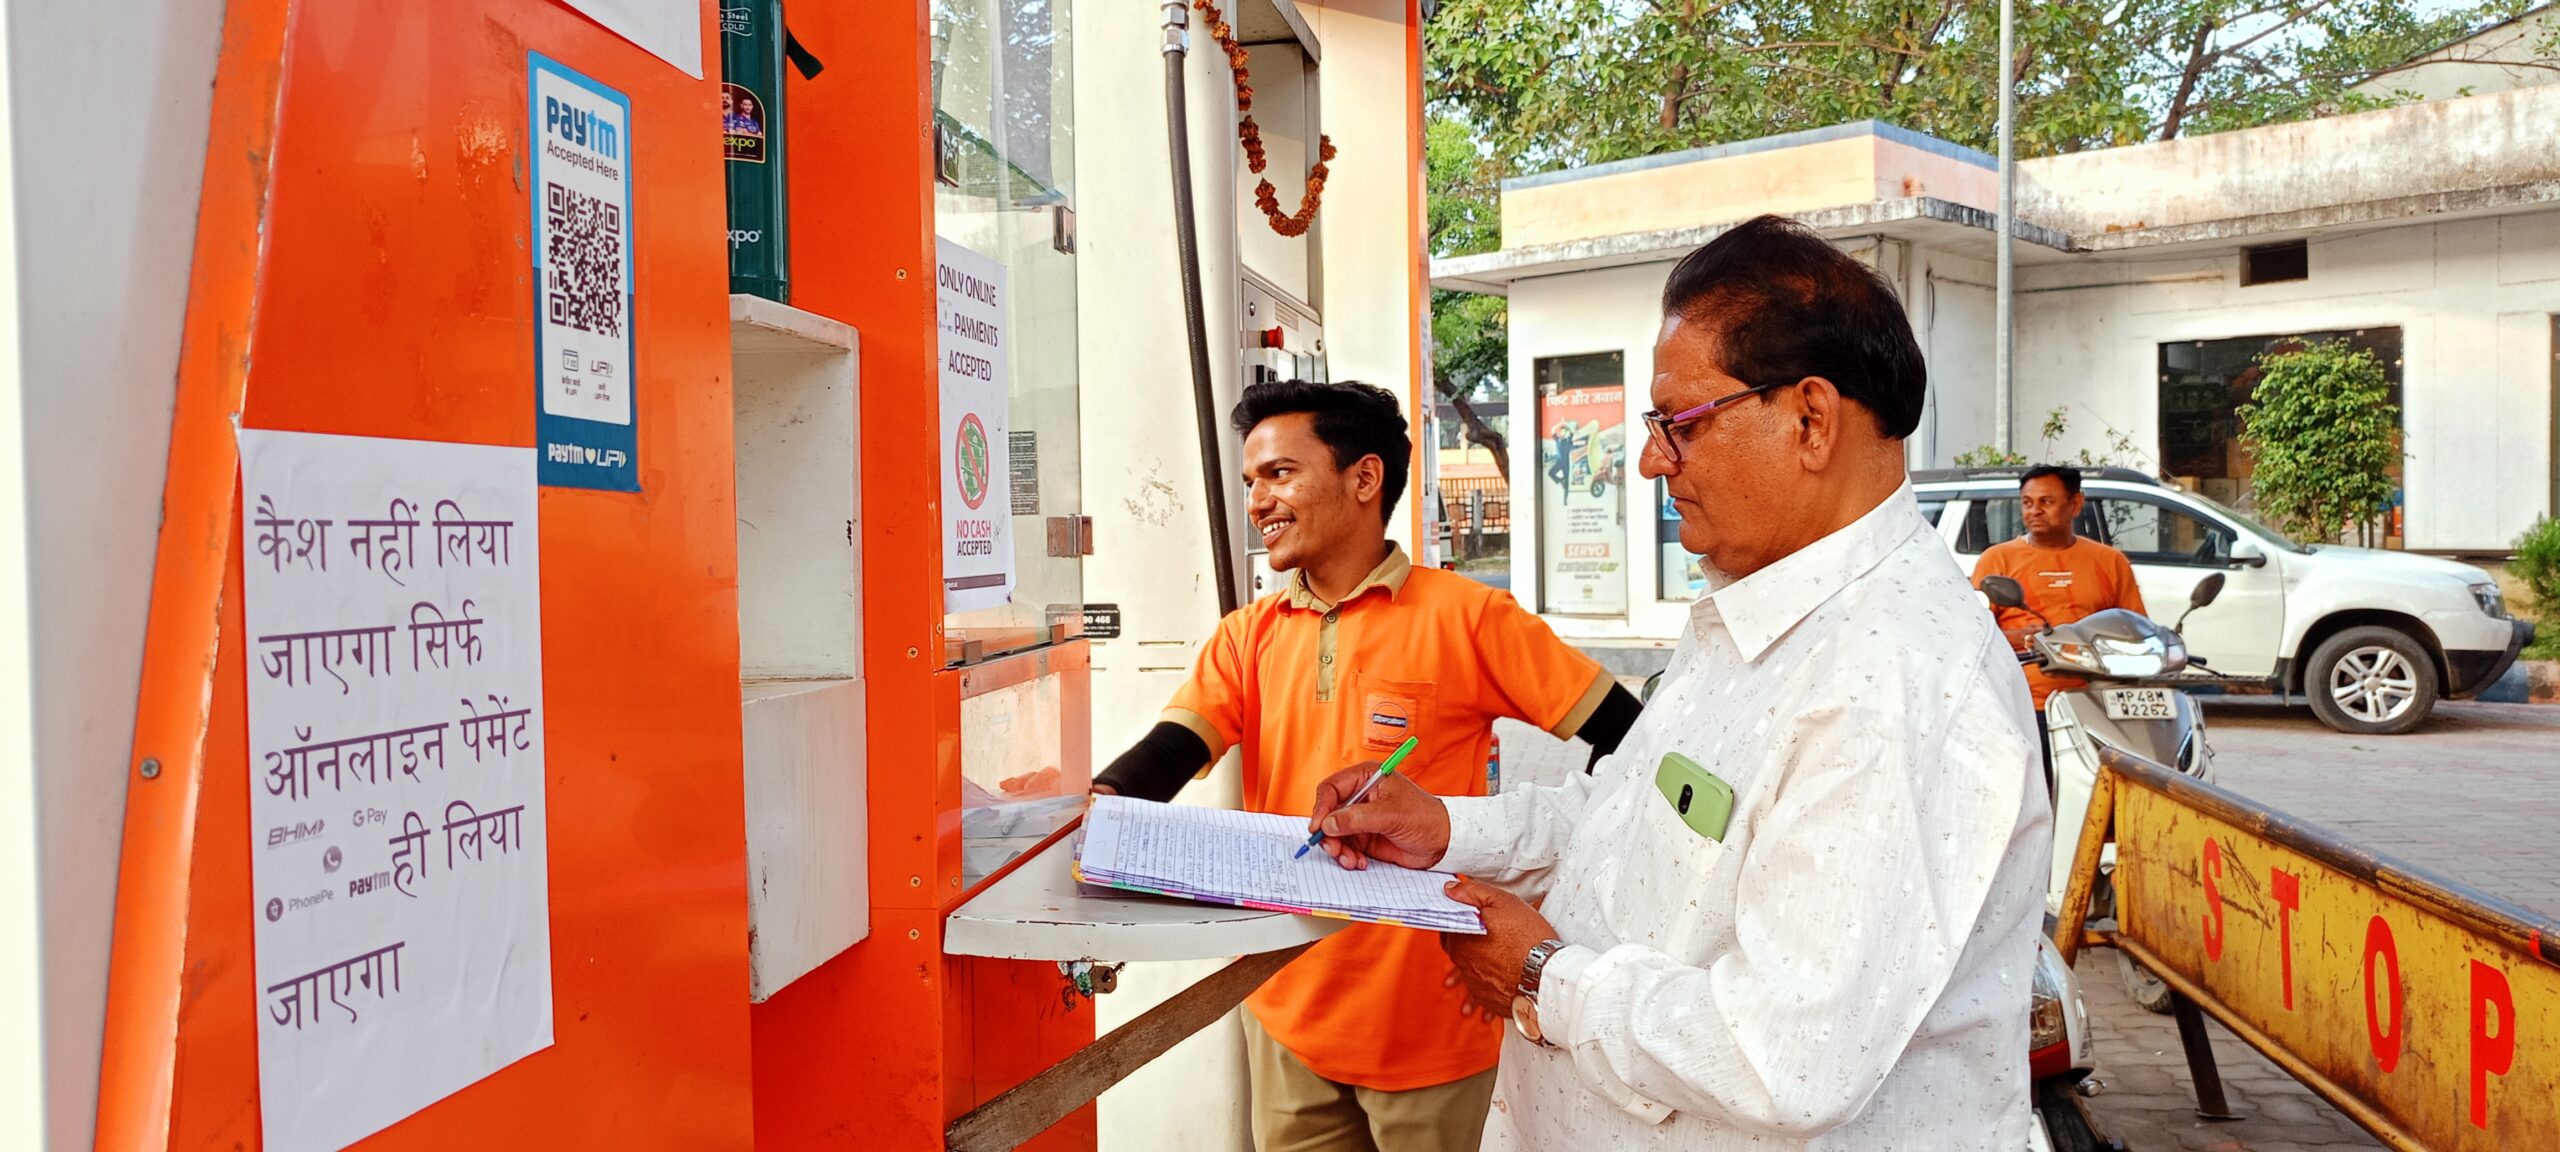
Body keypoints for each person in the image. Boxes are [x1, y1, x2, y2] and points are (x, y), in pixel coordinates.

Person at [1305, 215, 2050, 1150]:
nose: (1652, 459)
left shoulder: (1897, 680)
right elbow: (1626, 825)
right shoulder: (1754, 610)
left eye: (1679, 424)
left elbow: (1789, 1055)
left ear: (1811, 420)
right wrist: (1448, 828)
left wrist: (1542, 979)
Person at [1092, 378, 1644, 1152]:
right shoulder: (1249, 635)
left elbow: (1631, 739)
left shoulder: (1470, 618)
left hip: (1435, 1024)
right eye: (1250, 481)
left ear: (1364, 478)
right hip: (1284, 1012)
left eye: (1280, 473)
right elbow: (1175, 747)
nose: (1257, 500)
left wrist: (1551, 900)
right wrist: (1103, 799)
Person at [1970, 464, 2148, 777]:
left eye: (2046, 502)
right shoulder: (1997, 560)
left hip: (2099, 700)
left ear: (2075, 504)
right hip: (2027, 703)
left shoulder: (2110, 561)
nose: (2034, 511)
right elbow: (1972, 633)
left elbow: (2135, 628)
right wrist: (2018, 638)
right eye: (2027, 503)